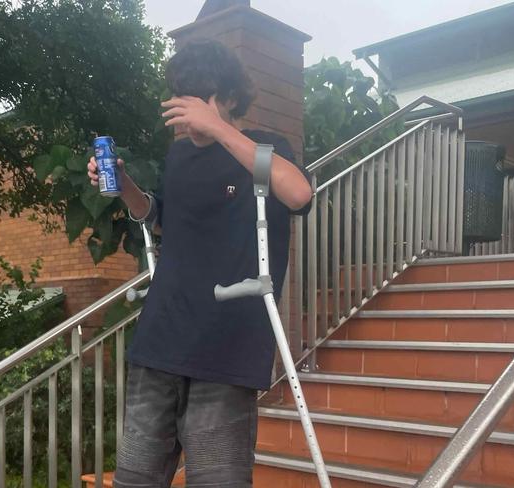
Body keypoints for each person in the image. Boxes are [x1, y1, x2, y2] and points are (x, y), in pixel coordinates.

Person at [87, 39, 312, 487]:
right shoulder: (180, 156)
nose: (187, 111)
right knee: (134, 480)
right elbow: (162, 217)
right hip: (161, 338)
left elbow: (299, 194)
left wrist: (221, 129)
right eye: (180, 96)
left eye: (199, 97)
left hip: (226, 346)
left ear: (229, 96)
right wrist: (125, 185)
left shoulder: (264, 147)